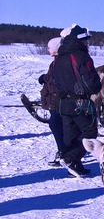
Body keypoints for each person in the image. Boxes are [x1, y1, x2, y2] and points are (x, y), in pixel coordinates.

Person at [52, 24, 102, 177]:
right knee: (90, 131)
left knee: (70, 135)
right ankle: (69, 158)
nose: (87, 43)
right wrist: (96, 86)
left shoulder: (58, 57)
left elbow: (53, 80)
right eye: (86, 41)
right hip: (80, 103)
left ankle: (75, 165)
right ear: (80, 41)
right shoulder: (81, 56)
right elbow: (92, 83)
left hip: (62, 103)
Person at [38, 37, 64, 167]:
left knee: (56, 124)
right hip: (55, 100)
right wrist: (45, 78)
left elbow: (57, 80)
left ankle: (63, 152)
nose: (48, 49)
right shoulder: (56, 61)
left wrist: (46, 79)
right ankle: (63, 151)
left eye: (50, 47)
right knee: (57, 124)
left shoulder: (60, 61)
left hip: (58, 100)